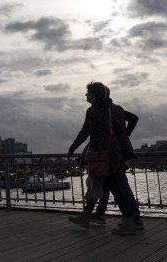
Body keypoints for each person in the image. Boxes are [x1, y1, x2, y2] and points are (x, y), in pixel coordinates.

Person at [67, 81, 136, 235]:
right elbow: (120, 130)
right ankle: (86, 217)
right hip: (113, 155)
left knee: (112, 188)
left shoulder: (93, 110)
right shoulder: (109, 110)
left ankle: (129, 222)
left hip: (102, 156)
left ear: (94, 95)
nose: (86, 94)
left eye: (88, 92)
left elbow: (85, 131)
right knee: (98, 185)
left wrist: (72, 148)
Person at [91, 88, 143, 230]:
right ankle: (101, 214)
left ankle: (134, 218)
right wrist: (126, 135)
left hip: (110, 152)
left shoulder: (105, 109)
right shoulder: (117, 108)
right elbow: (134, 118)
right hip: (117, 151)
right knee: (110, 185)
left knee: (118, 185)